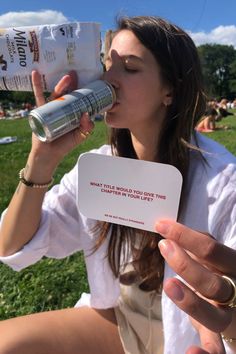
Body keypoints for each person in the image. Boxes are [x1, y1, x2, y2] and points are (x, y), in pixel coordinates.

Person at [0, 15, 236, 354]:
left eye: (130, 67)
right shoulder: (100, 167)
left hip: (188, 333)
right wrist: (41, 160)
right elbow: (11, 246)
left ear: (169, 89)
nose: (108, 78)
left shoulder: (223, 182)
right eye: (107, 62)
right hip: (122, 321)